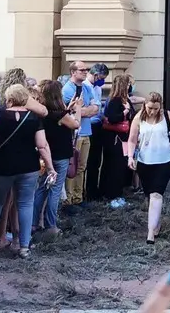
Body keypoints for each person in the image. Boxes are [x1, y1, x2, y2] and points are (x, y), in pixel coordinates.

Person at [0, 84, 53, 258]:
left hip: (3, 166)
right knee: (25, 204)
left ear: (10, 97)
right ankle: (24, 246)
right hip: (28, 166)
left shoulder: (2, 115)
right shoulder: (34, 117)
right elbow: (42, 145)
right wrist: (50, 167)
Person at [128, 92, 170, 244]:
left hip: (164, 161)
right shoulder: (138, 117)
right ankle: (155, 222)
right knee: (150, 195)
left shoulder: (168, 116)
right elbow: (132, 139)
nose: (152, 111)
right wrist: (130, 157)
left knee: (157, 194)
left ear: (160, 107)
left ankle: (150, 232)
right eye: (150, 108)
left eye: (156, 109)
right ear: (145, 105)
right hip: (144, 162)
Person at [32, 80, 80, 236]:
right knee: (55, 190)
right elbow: (75, 124)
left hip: (46, 156)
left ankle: (33, 223)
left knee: (41, 190)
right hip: (60, 157)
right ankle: (51, 225)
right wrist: (77, 109)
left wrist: (68, 108)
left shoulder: (42, 113)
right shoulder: (60, 115)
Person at [62, 60, 99, 210]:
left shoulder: (86, 87)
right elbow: (70, 111)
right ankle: (68, 199)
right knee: (72, 166)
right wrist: (83, 110)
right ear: (73, 72)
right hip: (73, 133)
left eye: (86, 70)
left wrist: (82, 110)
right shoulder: (67, 89)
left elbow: (95, 108)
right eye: (82, 70)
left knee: (82, 166)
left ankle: (78, 197)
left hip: (86, 131)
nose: (85, 72)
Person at [102, 73, 134, 209]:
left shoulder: (125, 99)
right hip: (115, 139)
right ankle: (112, 195)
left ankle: (118, 193)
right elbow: (112, 118)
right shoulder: (115, 101)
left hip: (123, 139)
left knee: (121, 167)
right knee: (115, 167)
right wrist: (125, 112)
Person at [84, 63, 109, 202]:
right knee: (87, 161)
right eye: (102, 78)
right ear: (95, 75)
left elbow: (98, 107)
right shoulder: (85, 87)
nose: (102, 81)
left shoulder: (98, 88)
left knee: (96, 159)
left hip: (98, 124)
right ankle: (86, 191)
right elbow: (90, 109)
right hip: (89, 125)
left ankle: (93, 190)